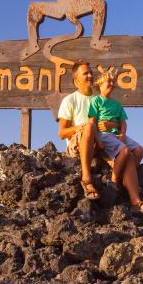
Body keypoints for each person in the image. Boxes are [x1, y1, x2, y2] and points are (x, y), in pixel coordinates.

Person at [88, 68, 143, 213]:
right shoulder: (96, 101)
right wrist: (97, 139)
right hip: (104, 134)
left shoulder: (117, 104)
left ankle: (126, 178)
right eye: (108, 81)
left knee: (139, 150)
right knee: (125, 151)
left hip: (117, 135)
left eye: (113, 82)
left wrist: (123, 134)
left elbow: (123, 123)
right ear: (100, 84)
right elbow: (92, 122)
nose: (111, 84)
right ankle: (114, 180)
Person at [58, 60, 100, 200]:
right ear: (76, 80)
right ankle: (87, 179)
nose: (90, 76)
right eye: (85, 73)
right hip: (77, 145)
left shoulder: (98, 99)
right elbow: (62, 133)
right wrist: (80, 127)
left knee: (133, 151)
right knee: (88, 126)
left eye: (91, 72)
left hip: (98, 142)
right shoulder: (70, 100)